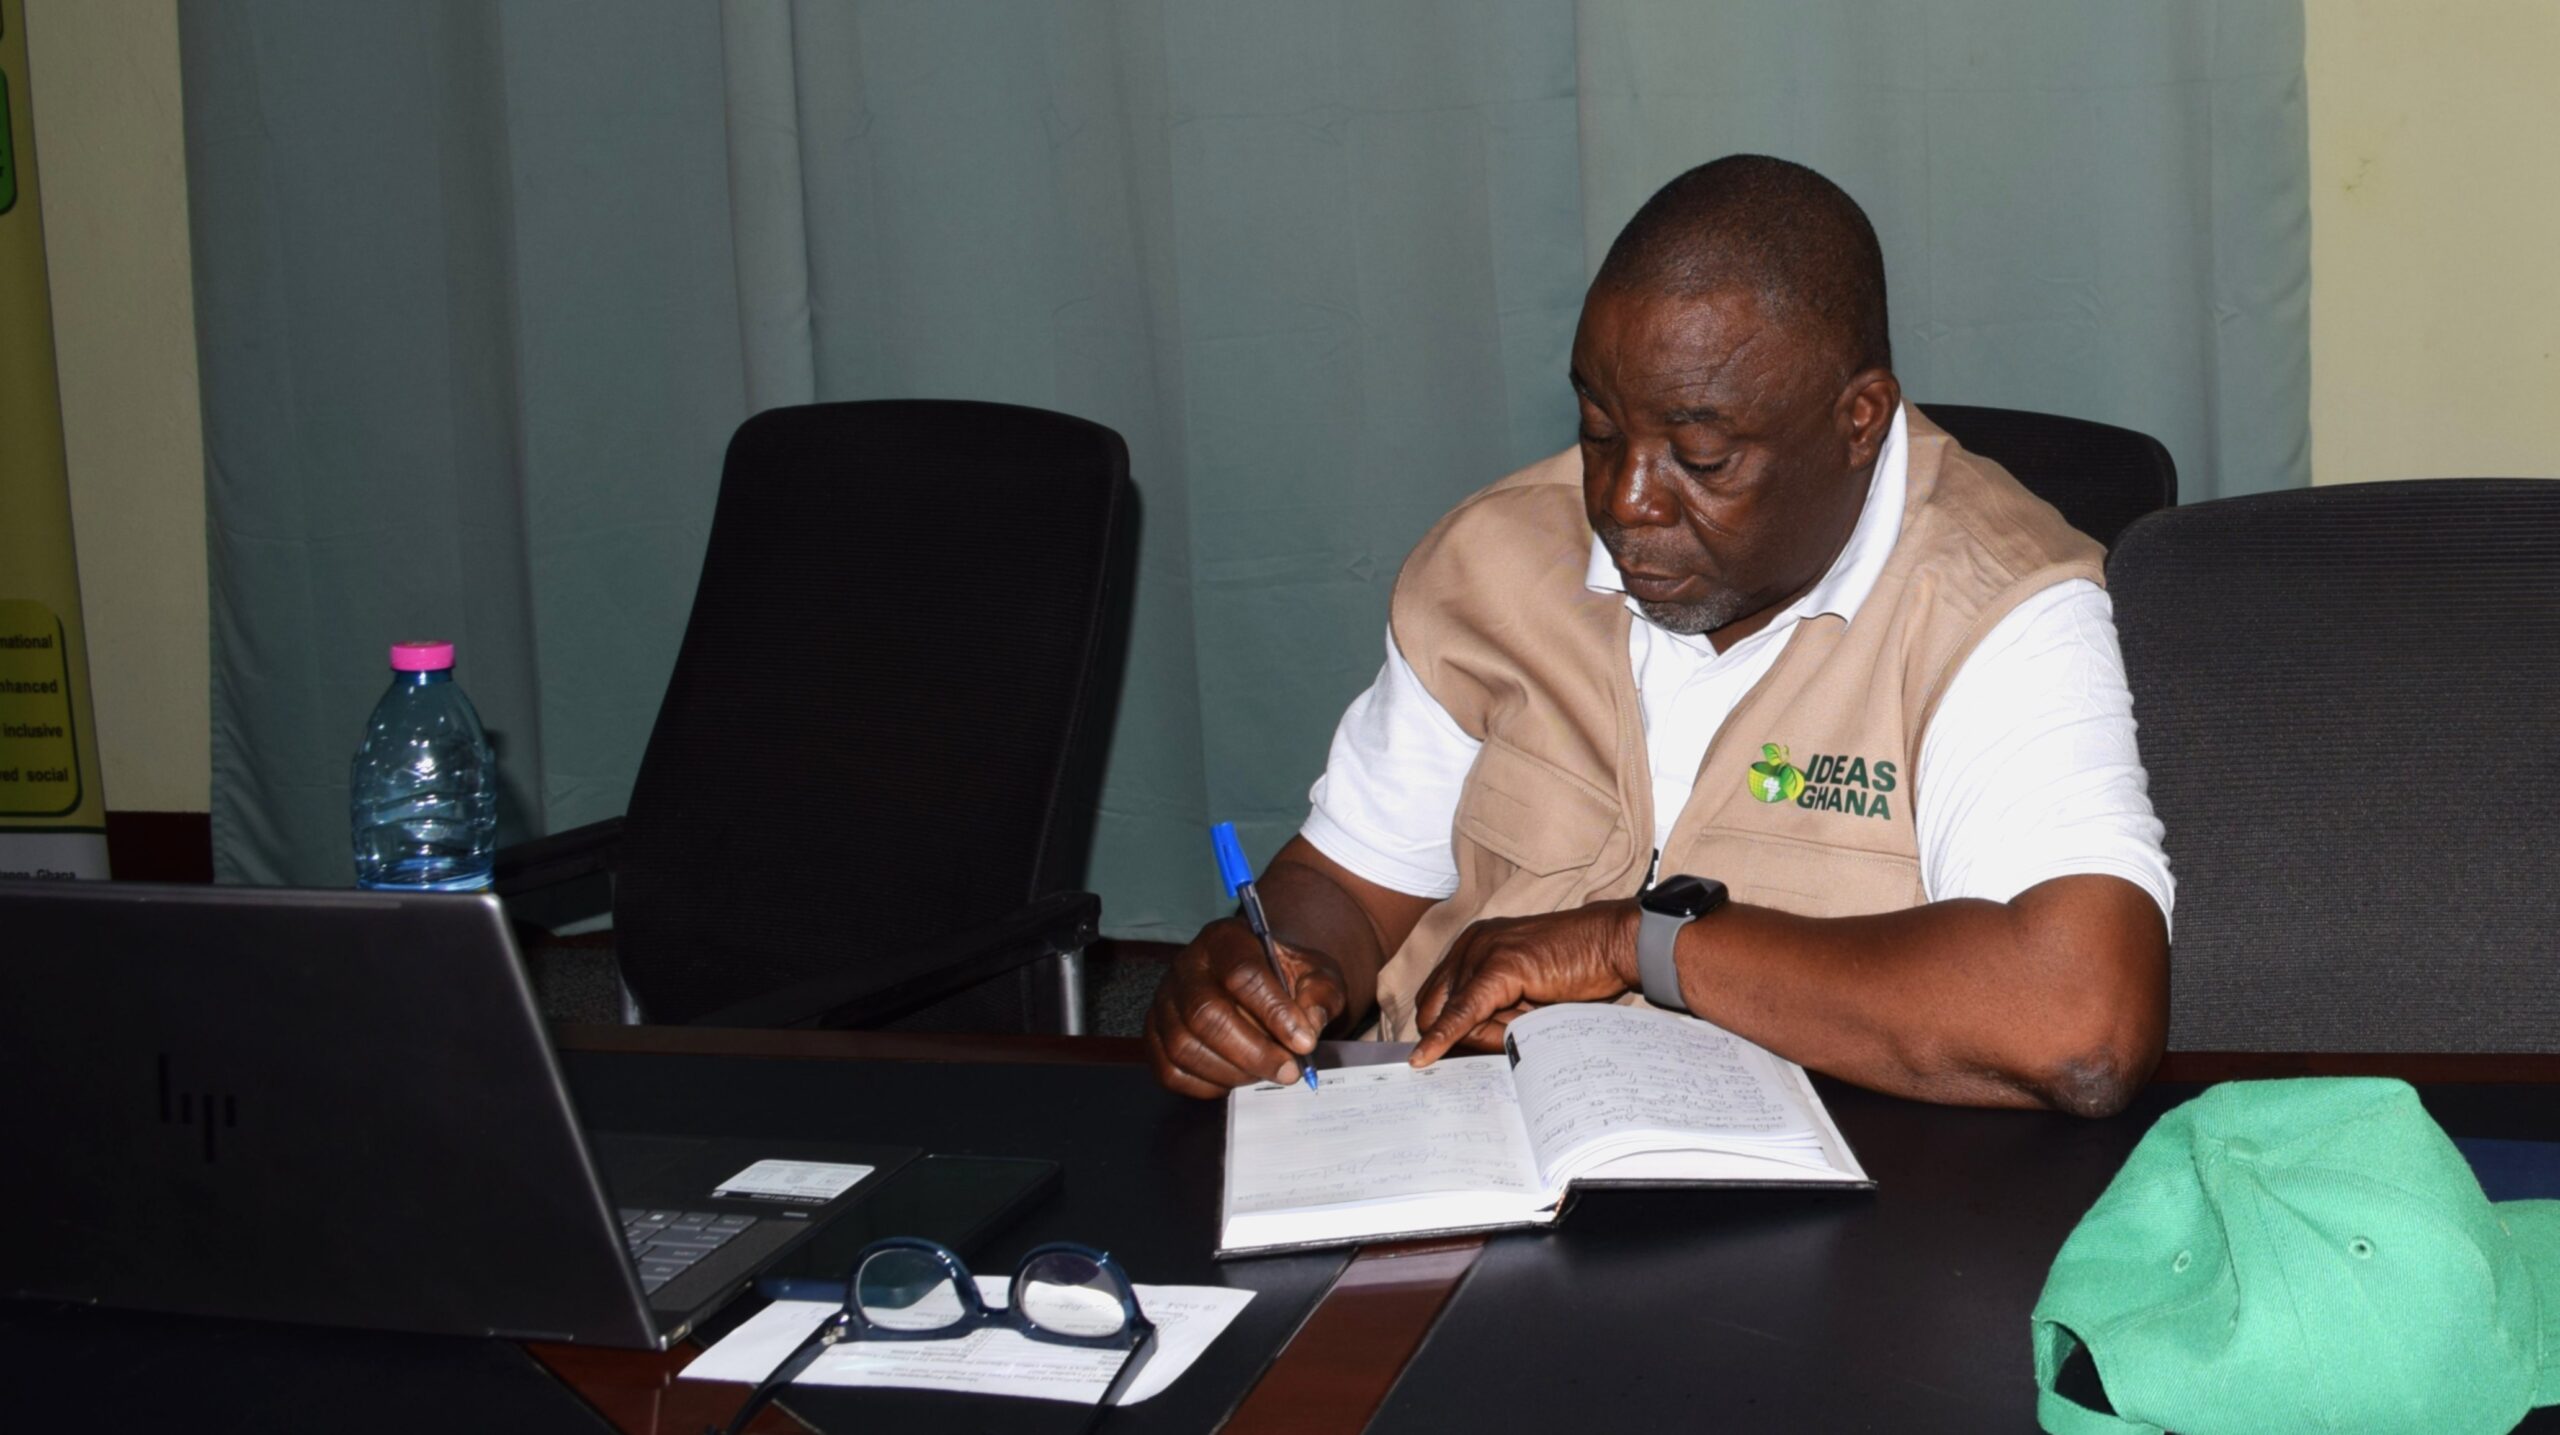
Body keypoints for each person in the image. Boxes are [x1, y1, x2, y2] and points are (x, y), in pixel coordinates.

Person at [1145, 155, 2173, 1118]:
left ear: (1859, 420)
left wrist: (1637, 945)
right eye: (1600, 430)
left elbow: (2079, 1022)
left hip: (1830, 1228)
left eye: (1701, 456)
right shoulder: (1494, 564)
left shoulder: (1997, 605)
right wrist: (1260, 973)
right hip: (1467, 1169)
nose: (1626, 500)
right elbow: (1344, 887)